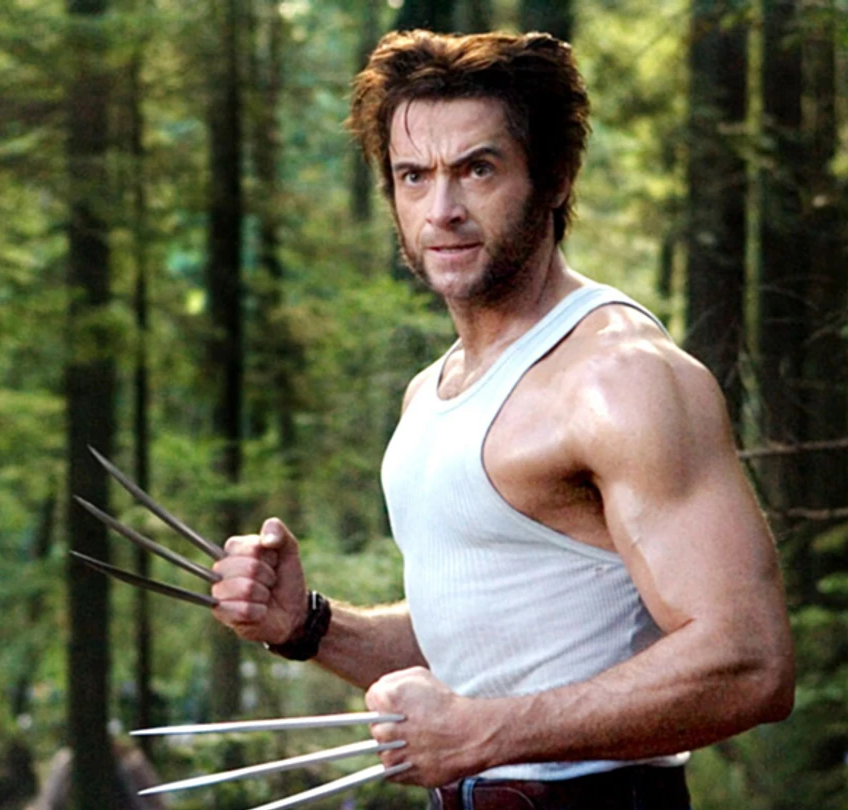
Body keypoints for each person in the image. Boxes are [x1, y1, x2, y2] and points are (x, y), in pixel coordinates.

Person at [210, 30, 794, 809]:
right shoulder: (429, 394)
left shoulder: (621, 378)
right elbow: (487, 654)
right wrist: (310, 627)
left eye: (477, 170)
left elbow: (751, 663)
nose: (442, 210)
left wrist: (484, 734)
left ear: (554, 177)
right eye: (414, 177)